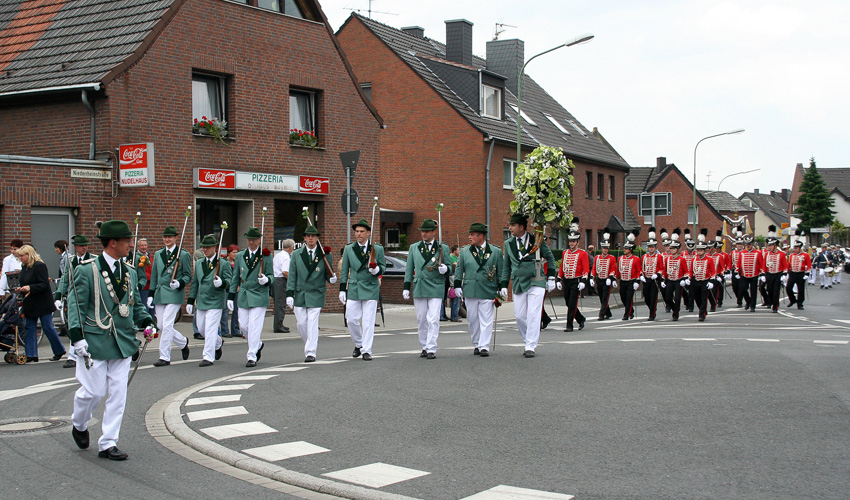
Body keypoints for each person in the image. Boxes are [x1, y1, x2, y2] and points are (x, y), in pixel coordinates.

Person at [67, 219, 155, 461]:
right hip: (94, 341)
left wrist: (147, 322)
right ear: (113, 243)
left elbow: (134, 305)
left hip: (123, 341)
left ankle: (108, 442)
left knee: (118, 394)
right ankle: (79, 423)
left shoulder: (130, 271)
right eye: (127, 241)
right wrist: (77, 338)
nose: (131, 244)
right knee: (94, 393)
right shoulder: (86, 270)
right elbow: (76, 306)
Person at [502, 213, 556, 357]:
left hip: (536, 278)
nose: (510, 228)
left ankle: (530, 345)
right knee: (519, 315)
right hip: (519, 281)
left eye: (513, 225)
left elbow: (549, 257)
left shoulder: (536, 239)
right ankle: (527, 339)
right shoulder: (508, 243)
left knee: (533, 313)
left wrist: (551, 277)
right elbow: (506, 265)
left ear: (521, 227)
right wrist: (503, 285)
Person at [403, 218, 452, 359]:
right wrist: (406, 286)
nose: (423, 234)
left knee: (433, 318)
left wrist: (446, 269)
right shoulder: (414, 247)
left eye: (427, 231)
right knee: (422, 319)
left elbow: (449, 267)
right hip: (420, 285)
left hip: (436, 285)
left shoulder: (443, 247)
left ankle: (431, 347)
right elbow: (409, 268)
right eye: (422, 231)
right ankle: (424, 345)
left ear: (434, 232)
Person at [285, 226, 335, 362]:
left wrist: (332, 278)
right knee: (301, 324)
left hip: (316, 293)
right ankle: (309, 343)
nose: (311, 238)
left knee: (312, 323)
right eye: (308, 236)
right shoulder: (296, 254)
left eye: (313, 236)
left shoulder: (324, 254)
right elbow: (292, 276)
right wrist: (289, 294)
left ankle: (311, 352)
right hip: (300, 293)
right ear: (304, 238)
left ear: (317, 238)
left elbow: (328, 273)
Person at [453, 223, 503, 356]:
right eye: (469, 234)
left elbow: (501, 271)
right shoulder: (465, 251)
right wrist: (457, 285)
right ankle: (476, 342)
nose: (469, 237)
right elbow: (459, 269)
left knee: (486, 319)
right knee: (473, 318)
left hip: (488, 289)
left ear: (481, 236)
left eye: (472, 235)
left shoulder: (495, 251)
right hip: (471, 289)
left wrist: (502, 287)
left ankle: (484, 346)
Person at [339, 219, 385, 361]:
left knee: (368, 321)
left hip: (370, 287)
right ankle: (359, 343)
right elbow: (345, 269)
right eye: (357, 231)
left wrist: (377, 270)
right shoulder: (349, 248)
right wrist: (342, 289)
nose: (358, 234)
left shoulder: (377, 249)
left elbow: (383, 266)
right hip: (354, 286)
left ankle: (367, 350)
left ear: (368, 233)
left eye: (361, 232)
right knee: (351, 319)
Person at [148, 225, 192, 366]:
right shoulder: (158, 254)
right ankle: (183, 342)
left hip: (174, 293)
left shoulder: (183, 254)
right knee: (161, 325)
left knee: (167, 325)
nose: (167, 239)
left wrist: (179, 283)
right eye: (165, 237)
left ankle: (164, 357)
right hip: (160, 293)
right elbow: (154, 275)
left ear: (175, 238)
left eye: (170, 237)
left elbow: (187, 275)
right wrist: (151, 293)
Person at [14, 245, 66, 362]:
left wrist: (30, 287)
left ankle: (59, 350)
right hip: (30, 301)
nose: (20, 258)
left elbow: (44, 284)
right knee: (29, 327)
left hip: (42, 301)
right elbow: (25, 281)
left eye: (22, 256)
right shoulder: (24, 267)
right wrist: (21, 288)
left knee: (47, 327)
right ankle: (31, 354)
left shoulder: (39, 266)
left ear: (29, 255)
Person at [229, 227, 273, 367]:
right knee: (244, 326)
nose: (251, 242)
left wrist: (266, 279)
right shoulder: (241, 255)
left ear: (259, 240)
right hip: (244, 293)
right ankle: (257, 344)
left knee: (255, 326)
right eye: (249, 239)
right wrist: (231, 296)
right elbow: (235, 276)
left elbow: (272, 275)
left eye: (253, 239)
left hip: (259, 293)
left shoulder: (265, 255)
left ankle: (251, 355)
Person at [187, 235, 231, 366]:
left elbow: (230, 282)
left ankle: (208, 356)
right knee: (201, 329)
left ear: (215, 248)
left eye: (207, 247)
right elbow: (195, 283)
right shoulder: (199, 263)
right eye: (203, 247)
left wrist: (222, 283)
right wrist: (190, 300)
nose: (205, 250)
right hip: (202, 300)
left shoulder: (223, 263)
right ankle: (218, 342)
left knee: (211, 328)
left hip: (216, 300)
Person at [54, 235, 95, 368]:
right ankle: (73, 356)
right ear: (75, 247)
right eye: (81, 245)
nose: (84, 248)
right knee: (74, 325)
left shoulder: (94, 259)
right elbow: (65, 278)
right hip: (74, 298)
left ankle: (85, 351)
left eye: (86, 245)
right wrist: (58, 296)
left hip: (90, 298)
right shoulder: (71, 260)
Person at [556, 220, 588, 332]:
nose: (572, 243)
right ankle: (580, 318)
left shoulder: (583, 253)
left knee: (572, 303)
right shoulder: (565, 253)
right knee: (567, 302)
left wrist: (583, 281)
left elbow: (585, 268)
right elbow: (562, 266)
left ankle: (569, 325)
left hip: (576, 281)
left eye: (574, 241)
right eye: (570, 241)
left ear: (578, 242)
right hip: (567, 281)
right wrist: (559, 278)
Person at [662, 229, 689, 321]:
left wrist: (684, 280)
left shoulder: (682, 259)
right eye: (671, 248)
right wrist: (663, 280)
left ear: (677, 249)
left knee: (677, 298)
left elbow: (686, 271)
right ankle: (674, 309)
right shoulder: (667, 259)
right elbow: (665, 271)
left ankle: (675, 313)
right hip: (670, 280)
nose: (671, 250)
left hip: (678, 281)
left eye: (673, 248)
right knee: (668, 298)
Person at [690, 230, 716, 322]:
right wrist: (689, 279)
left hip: (705, 281)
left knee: (704, 298)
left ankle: (702, 314)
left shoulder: (709, 259)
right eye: (698, 250)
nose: (699, 252)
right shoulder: (694, 259)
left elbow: (713, 271)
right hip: (696, 281)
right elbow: (691, 271)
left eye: (701, 250)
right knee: (697, 298)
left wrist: (711, 281)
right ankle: (703, 310)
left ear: (704, 251)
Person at [591, 231, 617, 321]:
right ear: (601, 248)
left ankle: (601, 314)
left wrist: (610, 277)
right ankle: (608, 312)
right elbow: (594, 268)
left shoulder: (612, 258)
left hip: (607, 280)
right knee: (601, 297)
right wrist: (592, 277)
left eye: (607, 248)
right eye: (604, 248)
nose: (605, 250)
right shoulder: (597, 257)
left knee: (605, 297)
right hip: (599, 280)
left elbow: (613, 269)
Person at [736, 235, 765, 312]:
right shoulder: (742, 253)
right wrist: (737, 272)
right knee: (742, 289)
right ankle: (748, 301)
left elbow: (761, 264)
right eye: (747, 244)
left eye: (750, 244)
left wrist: (762, 274)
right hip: (744, 274)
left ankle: (752, 306)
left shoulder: (757, 253)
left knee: (753, 291)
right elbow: (739, 263)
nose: (748, 246)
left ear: (752, 244)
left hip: (754, 274)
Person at [617, 230, 641, 321]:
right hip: (623, 281)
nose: (624, 250)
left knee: (629, 297)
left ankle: (626, 314)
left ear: (630, 250)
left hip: (631, 281)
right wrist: (614, 278)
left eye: (626, 248)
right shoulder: (620, 258)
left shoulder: (636, 259)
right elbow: (618, 270)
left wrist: (637, 281)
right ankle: (631, 310)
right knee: (623, 297)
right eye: (624, 248)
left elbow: (639, 270)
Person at [641, 228, 664, 321]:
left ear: (655, 247)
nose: (651, 248)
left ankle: (652, 314)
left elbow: (661, 268)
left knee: (653, 296)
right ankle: (652, 309)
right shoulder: (644, 257)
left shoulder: (659, 257)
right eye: (650, 246)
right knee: (646, 297)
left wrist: (657, 274)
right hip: (646, 279)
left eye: (653, 246)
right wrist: (641, 275)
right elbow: (642, 268)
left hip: (654, 279)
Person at [763, 227, 788, 313]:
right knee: (769, 289)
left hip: (778, 274)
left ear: (775, 246)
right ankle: (771, 302)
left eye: (770, 246)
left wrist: (784, 275)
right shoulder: (767, 254)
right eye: (768, 245)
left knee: (776, 290)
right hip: (769, 274)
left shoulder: (781, 254)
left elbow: (785, 265)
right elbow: (764, 264)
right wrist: (763, 274)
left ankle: (775, 306)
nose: (768, 247)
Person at [273, 239, 294, 333]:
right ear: (291, 248)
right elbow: (285, 272)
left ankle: (279, 324)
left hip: (276, 279)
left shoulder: (278, 255)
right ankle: (278, 326)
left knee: (279, 303)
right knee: (281, 304)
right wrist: (292, 280)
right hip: (281, 280)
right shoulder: (286, 257)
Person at [786, 230, 811, 309]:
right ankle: (792, 299)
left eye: (796, 248)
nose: (795, 249)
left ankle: (800, 303)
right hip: (792, 273)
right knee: (788, 287)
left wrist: (807, 274)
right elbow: (789, 264)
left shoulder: (805, 255)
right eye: (794, 248)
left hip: (801, 273)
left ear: (800, 248)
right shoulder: (791, 255)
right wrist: (786, 273)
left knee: (801, 289)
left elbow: (809, 265)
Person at [134, 238, 155, 322]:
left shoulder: (149, 256)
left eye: (145, 245)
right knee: (144, 306)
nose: (144, 247)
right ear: (138, 246)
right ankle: (145, 323)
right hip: (144, 287)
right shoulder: (137, 258)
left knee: (152, 307)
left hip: (152, 286)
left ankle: (152, 323)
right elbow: (142, 273)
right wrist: (152, 278)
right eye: (142, 245)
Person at [221, 244, 240, 337]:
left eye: (237, 252)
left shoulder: (238, 262)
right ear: (229, 253)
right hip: (227, 288)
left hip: (236, 289)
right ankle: (225, 331)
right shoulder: (224, 262)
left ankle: (235, 330)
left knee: (236, 309)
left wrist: (238, 285)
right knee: (225, 310)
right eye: (234, 252)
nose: (235, 254)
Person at [448, 245, 461, 321]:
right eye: (458, 250)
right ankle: (454, 316)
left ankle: (455, 314)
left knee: (457, 301)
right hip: (453, 279)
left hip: (456, 277)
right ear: (454, 250)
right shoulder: (451, 257)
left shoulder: (458, 257)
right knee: (455, 300)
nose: (459, 252)